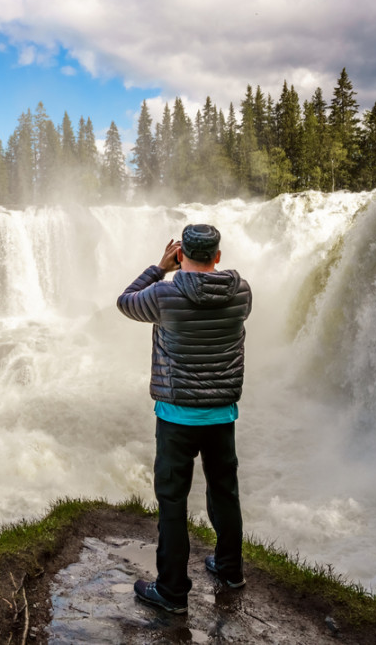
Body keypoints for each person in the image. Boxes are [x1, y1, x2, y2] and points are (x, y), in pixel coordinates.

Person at [116, 223, 252, 614]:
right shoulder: (241, 292)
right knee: (225, 492)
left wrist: (159, 268)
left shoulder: (163, 293)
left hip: (176, 416)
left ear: (180, 256)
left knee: (172, 502)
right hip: (221, 414)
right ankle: (230, 570)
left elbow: (125, 301)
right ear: (218, 256)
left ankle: (173, 592)